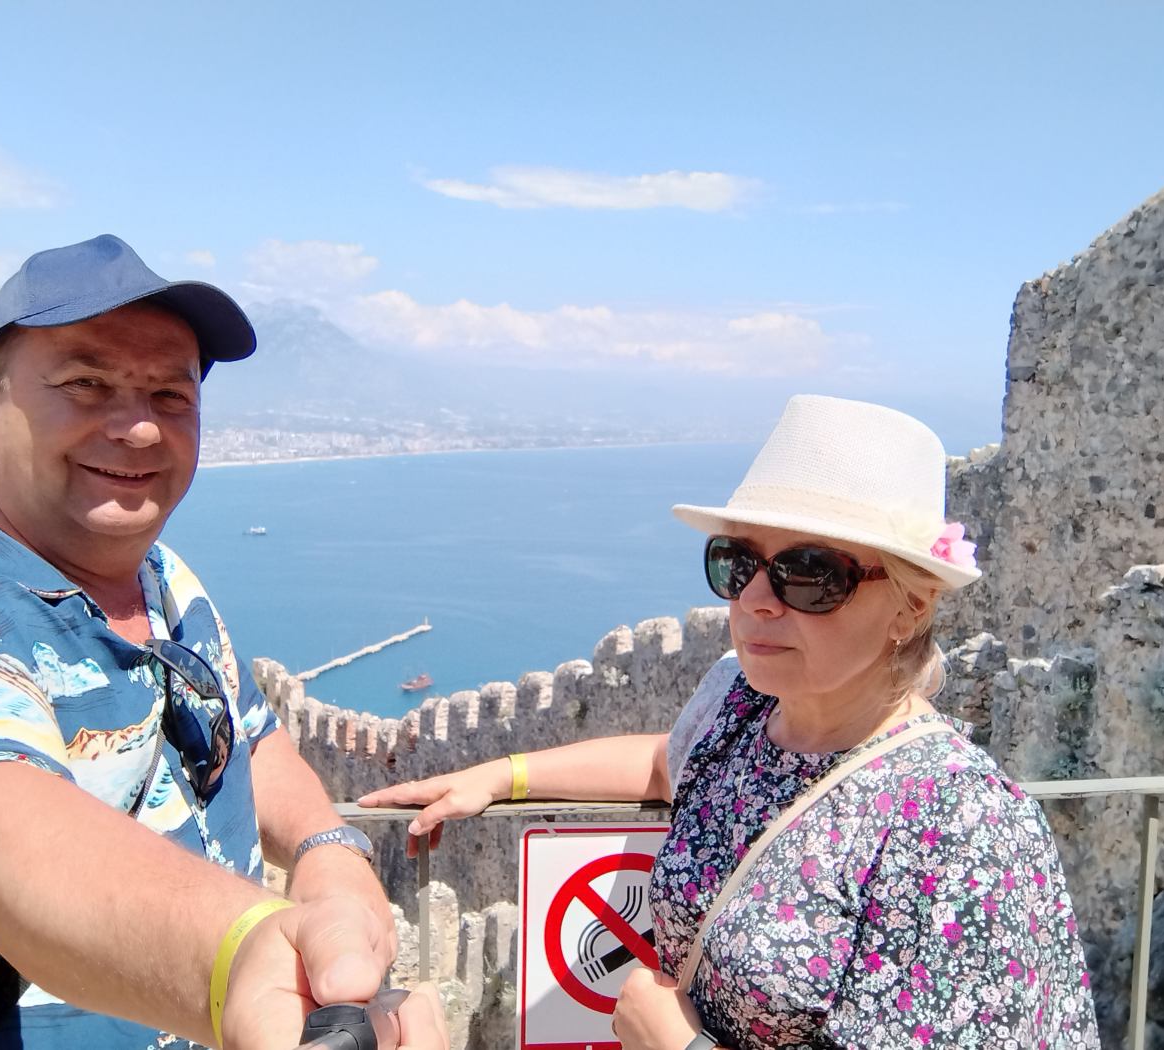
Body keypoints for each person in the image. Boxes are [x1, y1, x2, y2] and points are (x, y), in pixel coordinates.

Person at [360, 395, 1100, 1049]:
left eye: (810, 574)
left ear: (911, 605)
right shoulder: (743, 707)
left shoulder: (960, 827)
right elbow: (665, 764)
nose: (755, 600)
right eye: (738, 562)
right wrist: (500, 776)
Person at [0, 235, 447, 1050]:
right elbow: (0, 834)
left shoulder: (166, 581)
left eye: (170, 394)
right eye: (86, 383)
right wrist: (244, 964)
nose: (138, 428)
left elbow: (252, 738)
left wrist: (327, 850)